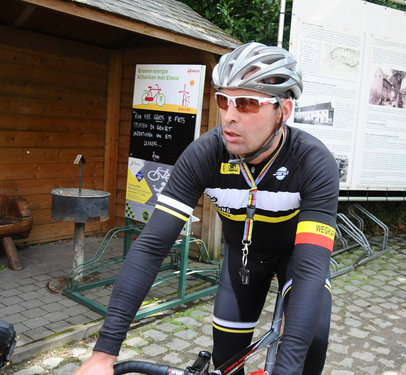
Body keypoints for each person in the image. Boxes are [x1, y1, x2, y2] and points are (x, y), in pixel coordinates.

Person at [73, 42, 339, 375]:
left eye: (246, 103)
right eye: (223, 100)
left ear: (283, 111)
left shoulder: (313, 163)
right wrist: (104, 353)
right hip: (242, 263)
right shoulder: (204, 155)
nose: (229, 114)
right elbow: (151, 248)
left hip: (297, 262)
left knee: (310, 341)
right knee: (226, 361)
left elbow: (311, 270)